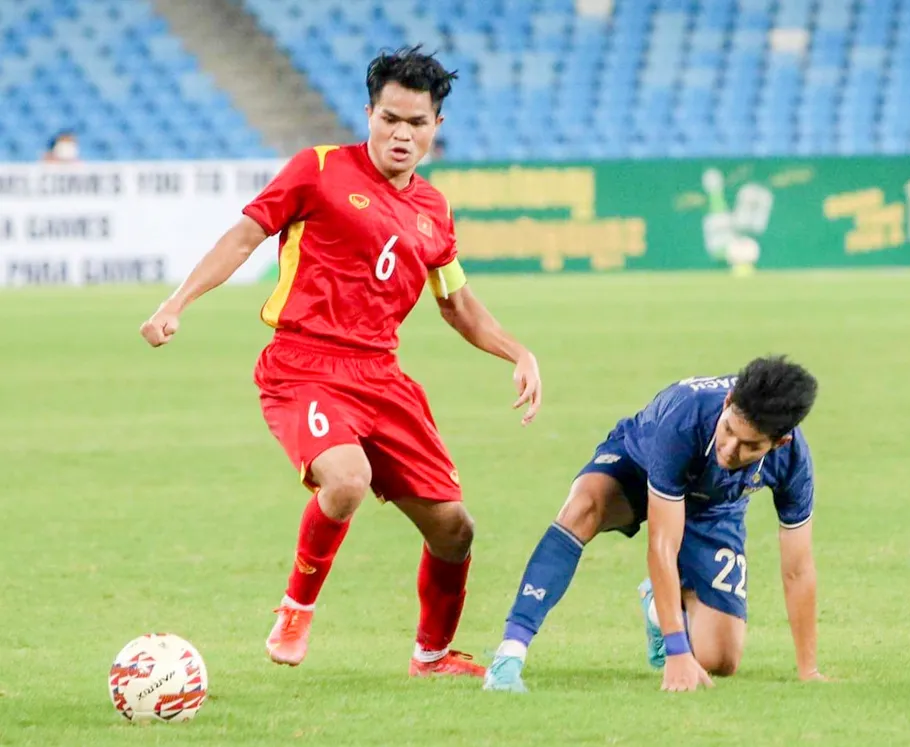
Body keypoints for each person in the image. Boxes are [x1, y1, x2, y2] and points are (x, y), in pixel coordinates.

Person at [139, 46, 542, 678]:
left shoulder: (433, 210)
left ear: (437, 125)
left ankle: (431, 657)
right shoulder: (318, 169)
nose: (400, 134)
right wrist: (177, 303)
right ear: (369, 114)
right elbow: (245, 234)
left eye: (415, 122)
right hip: (304, 365)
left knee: (455, 530)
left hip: (382, 377)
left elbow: (456, 303)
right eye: (389, 119)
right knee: (346, 480)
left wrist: (518, 352)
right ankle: (296, 609)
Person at [483, 356, 823, 693]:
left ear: (780, 442)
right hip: (639, 463)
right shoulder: (685, 417)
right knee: (583, 508)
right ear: (728, 402)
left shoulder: (793, 461)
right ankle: (509, 656)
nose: (730, 449)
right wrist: (677, 650)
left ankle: (661, 608)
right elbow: (662, 543)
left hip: (714, 505)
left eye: (750, 446)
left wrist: (809, 670)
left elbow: (798, 567)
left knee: (719, 658)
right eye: (729, 430)